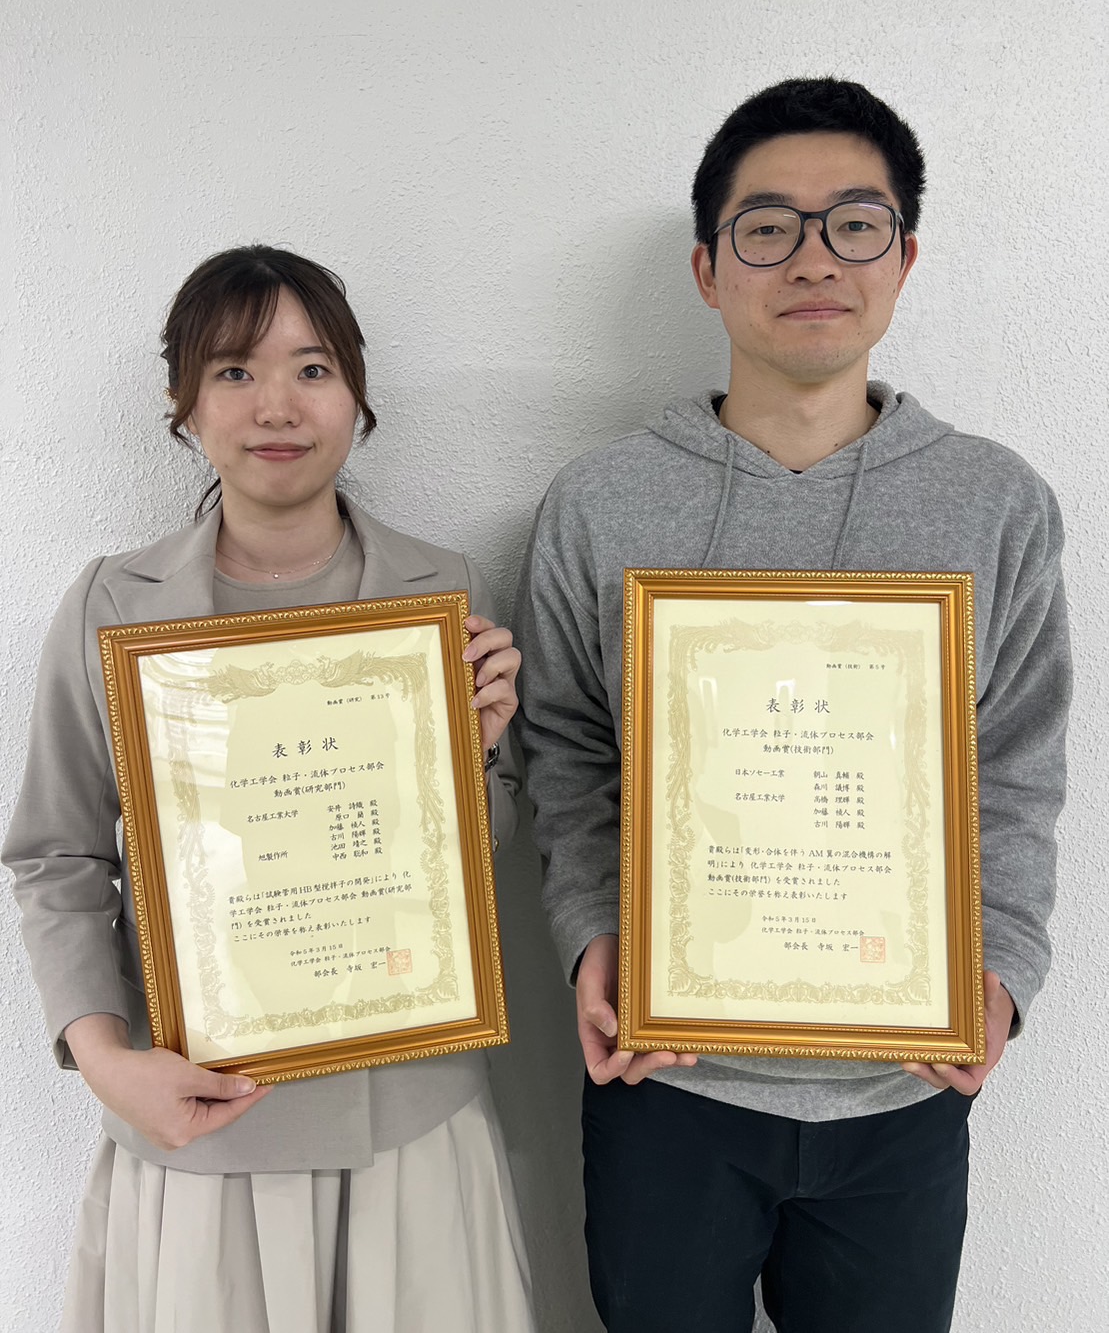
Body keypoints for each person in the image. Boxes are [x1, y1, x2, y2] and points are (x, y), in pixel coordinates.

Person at [513, 77, 1071, 1333]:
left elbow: (1015, 766)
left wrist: (999, 969)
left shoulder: (995, 504)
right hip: (669, 1079)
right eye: (767, 227)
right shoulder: (601, 502)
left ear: (903, 258)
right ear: (708, 269)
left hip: (901, 1089)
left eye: (853, 224)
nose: (812, 259)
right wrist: (592, 935)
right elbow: (567, 751)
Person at [3, 245, 536, 1333]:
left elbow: (470, 867)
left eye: (312, 368)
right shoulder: (115, 602)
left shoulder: (437, 590)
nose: (276, 406)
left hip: (407, 1118)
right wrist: (103, 1060)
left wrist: (478, 757)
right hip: (200, 1115)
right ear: (184, 403)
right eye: (234, 371)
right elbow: (58, 853)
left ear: (355, 393)